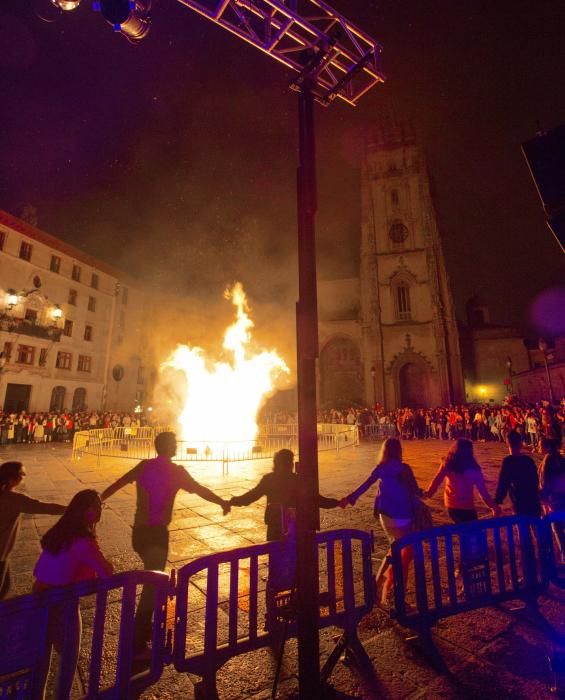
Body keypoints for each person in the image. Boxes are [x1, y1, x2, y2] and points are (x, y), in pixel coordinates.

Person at [100, 431, 231, 656]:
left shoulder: (143, 466)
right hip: (156, 534)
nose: (177, 447)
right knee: (153, 584)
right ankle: (137, 637)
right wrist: (222, 502)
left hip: (139, 534)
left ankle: (146, 627)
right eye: (174, 444)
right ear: (169, 447)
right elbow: (200, 490)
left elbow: (117, 484)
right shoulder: (177, 472)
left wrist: (99, 499)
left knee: (155, 580)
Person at [33, 489, 113, 698]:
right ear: (88, 511)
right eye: (97, 507)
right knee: (68, 659)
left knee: (41, 658)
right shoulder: (83, 542)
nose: (98, 512)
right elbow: (106, 572)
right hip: (62, 602)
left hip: (38, 598)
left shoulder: (59, 532)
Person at [340, 438, 421, 605]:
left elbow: (365, 485)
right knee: (405, 555)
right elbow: (415, 490)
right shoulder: (405, 469)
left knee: (394, 549)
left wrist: (349, 499)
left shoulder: (381, 468)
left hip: (385, 516)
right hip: (403, 515)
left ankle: (376, 585)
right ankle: (397, 597)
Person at [229, 448, 339, 541]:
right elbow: (316, 499)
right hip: (293, 527)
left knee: (276, 560)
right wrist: (338, 503)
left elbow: (251, 496)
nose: (290, 464)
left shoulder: (270, 479)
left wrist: (232, 501)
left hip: (275, 527)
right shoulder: (295, 480)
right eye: (288, 462)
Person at [0, 461, 66, 600]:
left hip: (3, 556)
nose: (24, 478)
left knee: (5, 587)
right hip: (1, 554)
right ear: (13, 479)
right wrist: (70, 510)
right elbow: (43, 508)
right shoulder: (14, 500)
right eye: (22, 474)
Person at [424, 439, 500, 523]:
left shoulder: (448, 464)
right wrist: (494, 507)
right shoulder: (474, 469)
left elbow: (437, 480)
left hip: (451, 506)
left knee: (465, 531)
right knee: (474, 534)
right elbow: (483, 492)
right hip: (466, 507)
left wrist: (429, 492)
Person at [495, 431, 542, 517]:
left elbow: (503, 483)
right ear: (520, 443)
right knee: (537, 527)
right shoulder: (529, 460)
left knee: (522, 528)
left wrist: (497, 501)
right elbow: (535, 481)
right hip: (533, 501)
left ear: (507, 443)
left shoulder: (508, 462)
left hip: (518, 502)